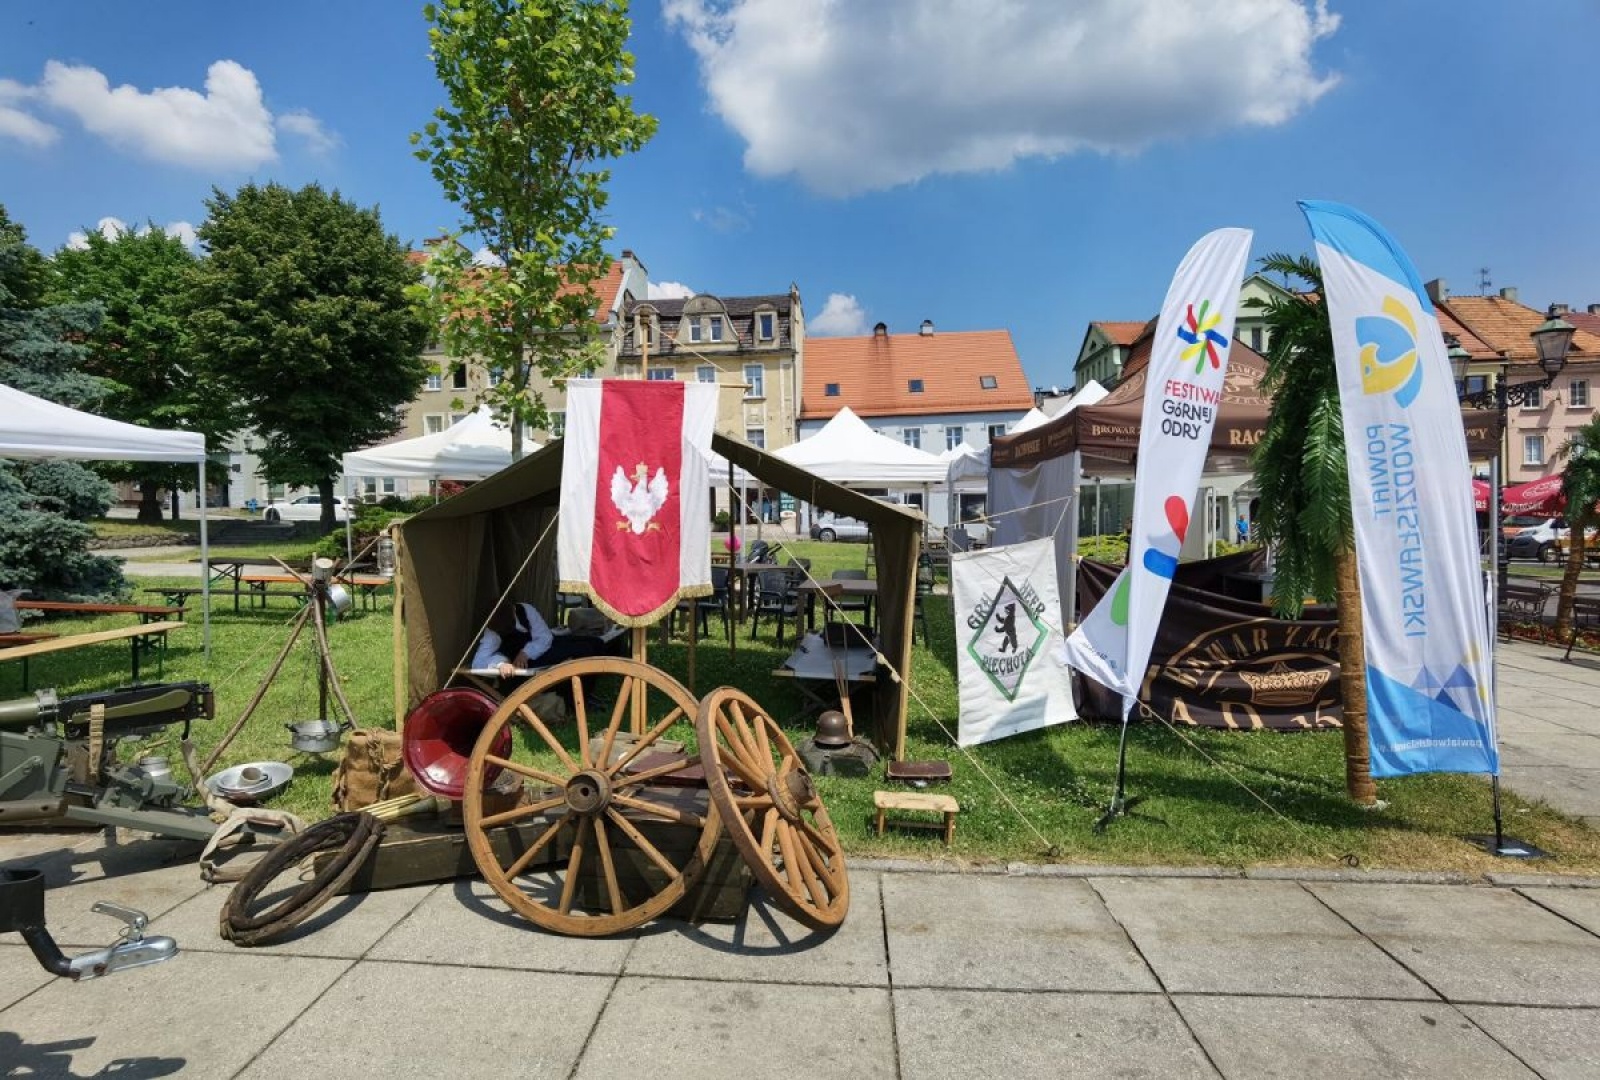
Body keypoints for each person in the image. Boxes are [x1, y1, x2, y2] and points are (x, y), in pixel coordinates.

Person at [472, 599, 615, 679]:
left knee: (594, 643)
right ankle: (574, 696)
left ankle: (589, 686)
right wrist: (500, 664)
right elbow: (478, 662)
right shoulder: (493, 629)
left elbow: (545, 637)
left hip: (543, 647)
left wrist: (525, 652)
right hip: (530, 663)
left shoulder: (525, 610)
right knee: (584, 651)